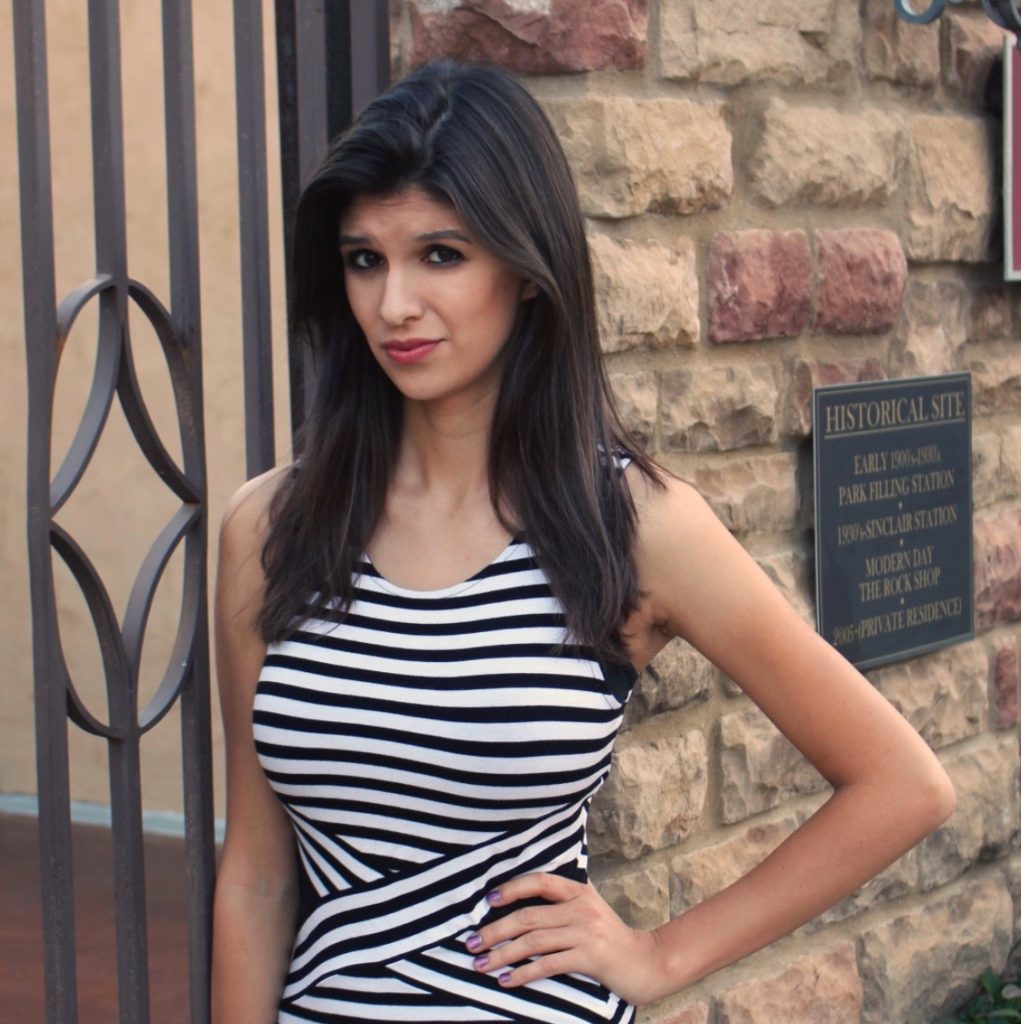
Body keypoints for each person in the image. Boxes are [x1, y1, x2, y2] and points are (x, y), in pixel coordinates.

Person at [211, 60, 955, 1024]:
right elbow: (258, 875)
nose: (393, 304)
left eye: (440, 254)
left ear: (525, 271)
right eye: (364, 260)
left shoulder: (631, 525)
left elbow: (901, 784)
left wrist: (659, 954)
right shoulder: (270, 528)